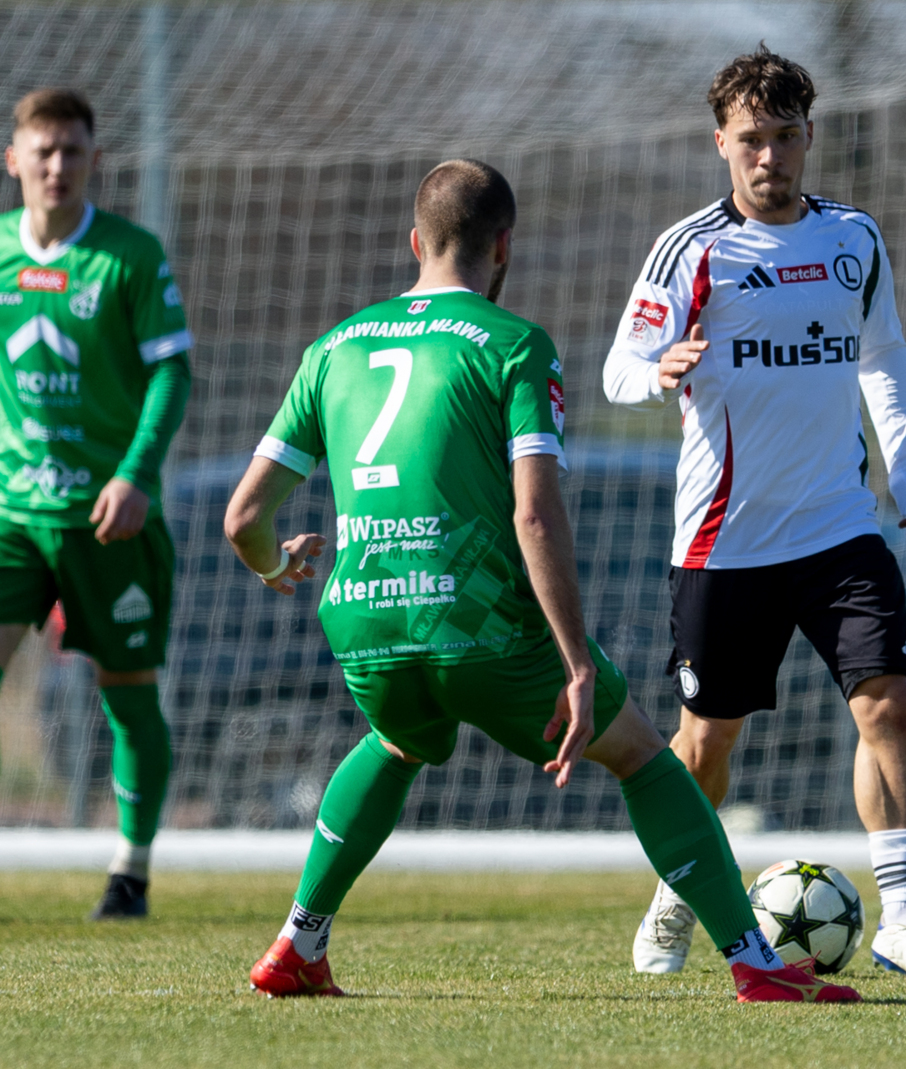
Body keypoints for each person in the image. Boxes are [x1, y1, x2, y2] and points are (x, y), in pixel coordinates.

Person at [225, 158, 856, 1003]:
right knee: (641, 755)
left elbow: (242, 518)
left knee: (400, 741)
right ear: (505, 249)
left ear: (416, 243)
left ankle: (300, 941)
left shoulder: (332, 347)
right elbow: (534, 516)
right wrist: (578, 661)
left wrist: (274, 563)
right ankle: (756, 960)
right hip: (478, 622)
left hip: (363, 619)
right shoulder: (517, 345)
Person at [604, 46, 906, 979]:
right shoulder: (692, 249)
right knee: (706, 744)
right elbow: (617, 367)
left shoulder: (853, 239)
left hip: (842, 525)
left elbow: (883, 357)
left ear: (810, 138)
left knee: (887, 704)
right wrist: (658, 372)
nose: (770, 157)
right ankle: (678, 899)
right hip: (725, 540)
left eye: (786, 137)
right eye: (751, 139)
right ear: (721, 141)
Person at [0, 88, 192, 919]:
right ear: (13, 160)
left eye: (72, 150)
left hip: (108, 515)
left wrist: (135, 473)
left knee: (127, 692)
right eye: (42, 150)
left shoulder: (129, 256)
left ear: (93, 161)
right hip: (13, 512)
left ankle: (131, 869)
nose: (56, 166)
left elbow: (171, 372)